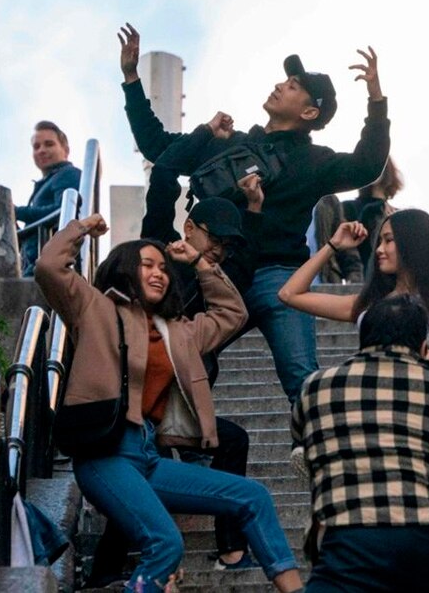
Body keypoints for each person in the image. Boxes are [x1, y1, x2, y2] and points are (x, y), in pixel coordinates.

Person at [117, 23, 390, 407]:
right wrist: (131, 80)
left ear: (310, 111)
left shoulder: (314, 160)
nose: (281, 86)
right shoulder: (234, 144)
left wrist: (376, 101)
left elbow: (367, 165)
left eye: (294, 85)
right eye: (285, 80)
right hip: (218, 271)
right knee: (188, 357)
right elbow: (158, 146)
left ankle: (313, 454)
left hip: (279, 277)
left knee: (301, 377)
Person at [34, 214, 302, 593]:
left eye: (163, 267)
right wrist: (80, 230)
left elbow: (232, 315)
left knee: (252, 496)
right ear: (126, 270)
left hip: (148, 455)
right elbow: (49, 266)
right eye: (147, 265)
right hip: (105, 454)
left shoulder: (179, 331)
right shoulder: (94, 309)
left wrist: (198, 262)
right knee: (165, 543)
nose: (159, 273)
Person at [85, 196, 264, 587]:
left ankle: (232, 547)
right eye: (212, 239)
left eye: (225, 245)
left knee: (232, 440)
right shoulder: (152, 268)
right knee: (139, 478)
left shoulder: (211, 272)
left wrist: (203, 264)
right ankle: (106, 571)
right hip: (136, 415)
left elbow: (233, 314)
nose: (218, 249)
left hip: (180, 408)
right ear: (189, 228)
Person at [291, 295, 429, 592]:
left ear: (362, 339)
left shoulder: (316, 386)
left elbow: (300, 431)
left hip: (348, 537)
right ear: (423, 346)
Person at [278, 209, 429, 389]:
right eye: (379, 241)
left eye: (388, 240)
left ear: (412, 242)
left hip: (413, 391)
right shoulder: (371, 300)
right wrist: (333, 245)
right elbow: (289, 294)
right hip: (368, 389)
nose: (379, 249)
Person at [15, 121, 81, 276]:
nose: (42, 150)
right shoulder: (47, 183)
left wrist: (16, 211)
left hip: (49, 269)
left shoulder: (68, 174)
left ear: (65, 150)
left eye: (49, 144)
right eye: (36, 147)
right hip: (33, 268)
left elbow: (64, 211)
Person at [342, 156, 404, 268]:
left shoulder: (398, 214)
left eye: (378, 165)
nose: (374, 169)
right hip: (361, 275)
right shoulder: (348, 207)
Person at [312, 194, 363, 284]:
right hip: (287, 279)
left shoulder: (328, 199)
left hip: (327, 283)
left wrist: (354, 282)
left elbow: (346, 248)